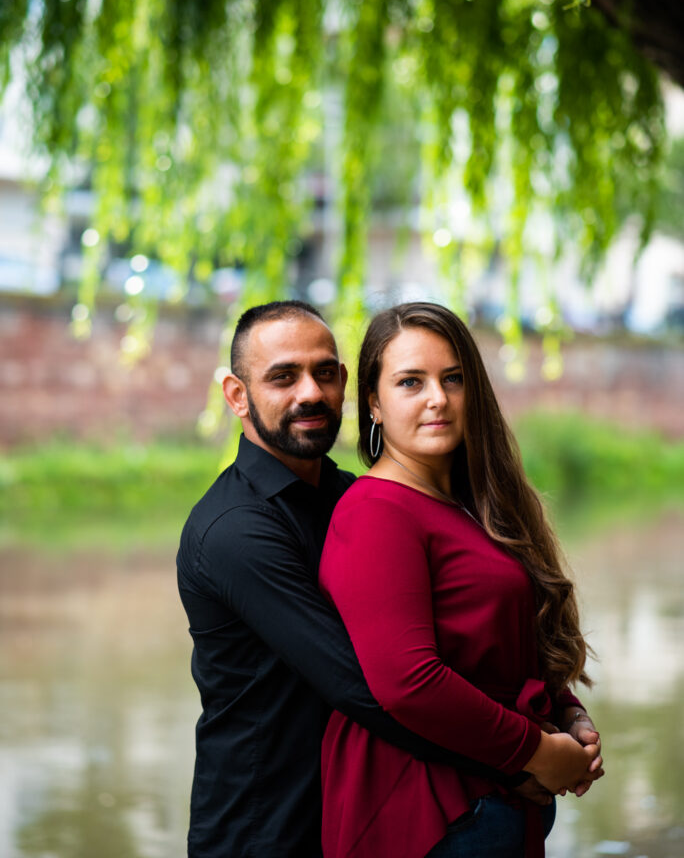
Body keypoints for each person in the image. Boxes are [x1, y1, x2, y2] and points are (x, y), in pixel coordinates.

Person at [176, 300, 534, 858]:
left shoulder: (353, 498)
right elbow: (368, 685)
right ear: (237, 395)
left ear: (346, 383)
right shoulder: (233, 531)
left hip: (354, 808)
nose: (310, 393)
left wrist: (561, 709)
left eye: (324, 372)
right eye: (283, 377)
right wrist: (519, 759)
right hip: (263, 828)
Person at [319, 302, 604, 858]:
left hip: (494, 792)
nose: (438, 399)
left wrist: (567, 710)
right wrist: (538, 752)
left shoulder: (469, 506)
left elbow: (499, 642)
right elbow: (408, 680)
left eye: (453, 378)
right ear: (374, 403)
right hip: (430, 806)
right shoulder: (376, 510)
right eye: (410, 382)